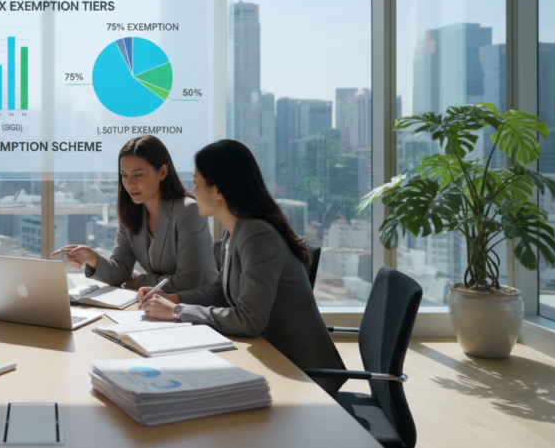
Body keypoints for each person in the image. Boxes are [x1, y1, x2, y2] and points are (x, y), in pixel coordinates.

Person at [138, 139, 346, 397]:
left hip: (300, 374)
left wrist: (179, 311)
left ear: (218, 191)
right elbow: (222, 288)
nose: (192, 190)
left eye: (196, 181)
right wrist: (175, 298)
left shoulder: (258, 234)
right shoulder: (235, 229)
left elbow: (250, 320)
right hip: (271, 357)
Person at [52, 135, 214, 293]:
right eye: (124, 175)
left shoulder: (188, 211)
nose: (129, 183)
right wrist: (92, 258)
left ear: (163, 172)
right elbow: (121, 270)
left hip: (198, 310)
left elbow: (188, 283)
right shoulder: (132, 212)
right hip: (160, 306)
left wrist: (139, 281)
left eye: (138, 175)